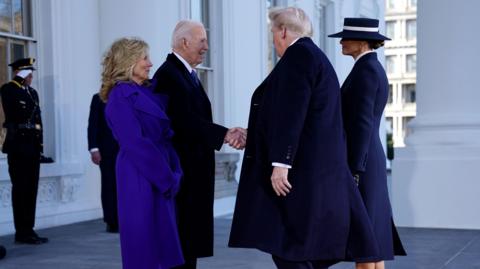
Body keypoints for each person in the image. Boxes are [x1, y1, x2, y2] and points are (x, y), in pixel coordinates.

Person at [229, 7, 382, 269]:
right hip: (316, 176)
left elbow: (292, 112)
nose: (273, 41)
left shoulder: (298, 56)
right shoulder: (314, 56)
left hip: (299, 175)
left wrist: (281, 164)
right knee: (299, 249)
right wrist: (253, 134)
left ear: (284, 31)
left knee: (289, 248)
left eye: (273, 34)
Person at [153, 20, 246, 269]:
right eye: (202, 40)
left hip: (194, 172)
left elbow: (196, 119)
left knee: (189, 244)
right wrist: (225, 134)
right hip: (183, 172)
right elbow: (182, 120)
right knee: (182, 243)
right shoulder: (168, 75)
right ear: (184, 42)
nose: (206, 47)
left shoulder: (186, 74)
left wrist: (225, 132)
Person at [328, 18, 407, 269]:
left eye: (346, 37)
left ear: (362, 42)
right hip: (368, 158)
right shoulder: (369, 68)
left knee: (365, 238)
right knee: (371, 239)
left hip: (363, 162)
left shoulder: (366, 71)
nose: (341, 41)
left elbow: (361, 123)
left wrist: (354, 169)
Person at [101, 37, 184, 269]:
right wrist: (167, 178)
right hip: (140, 173)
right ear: (129, 62)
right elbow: (135, 143)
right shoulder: (120, 96)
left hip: (158, 171)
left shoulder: (146, 92)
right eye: (145, 58)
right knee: (144, 243)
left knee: (160, 242)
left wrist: (173, 171)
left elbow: (165, 137)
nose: (150, 64)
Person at [0, 58, 48, 244]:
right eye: (27, 73)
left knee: (31, 189)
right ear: (19, 72)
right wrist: (18, 81)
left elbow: (38, 122)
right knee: (21, 189)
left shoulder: (32, 93)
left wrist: (41, 147)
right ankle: (21, 232)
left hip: (33, 147)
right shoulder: (8, 89)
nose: (31, 76)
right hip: (18, 146)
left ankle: (29, 229)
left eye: (31, 73)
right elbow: (14, 112)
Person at [87, 92, 119, 233]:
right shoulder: (99, 98)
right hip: (106, 151)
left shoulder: (126, 96)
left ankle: (125, 218)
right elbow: (93, 124)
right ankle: (111, 221)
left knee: (124, 186)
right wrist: (94, 149)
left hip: (125, 149)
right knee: (109, 185)